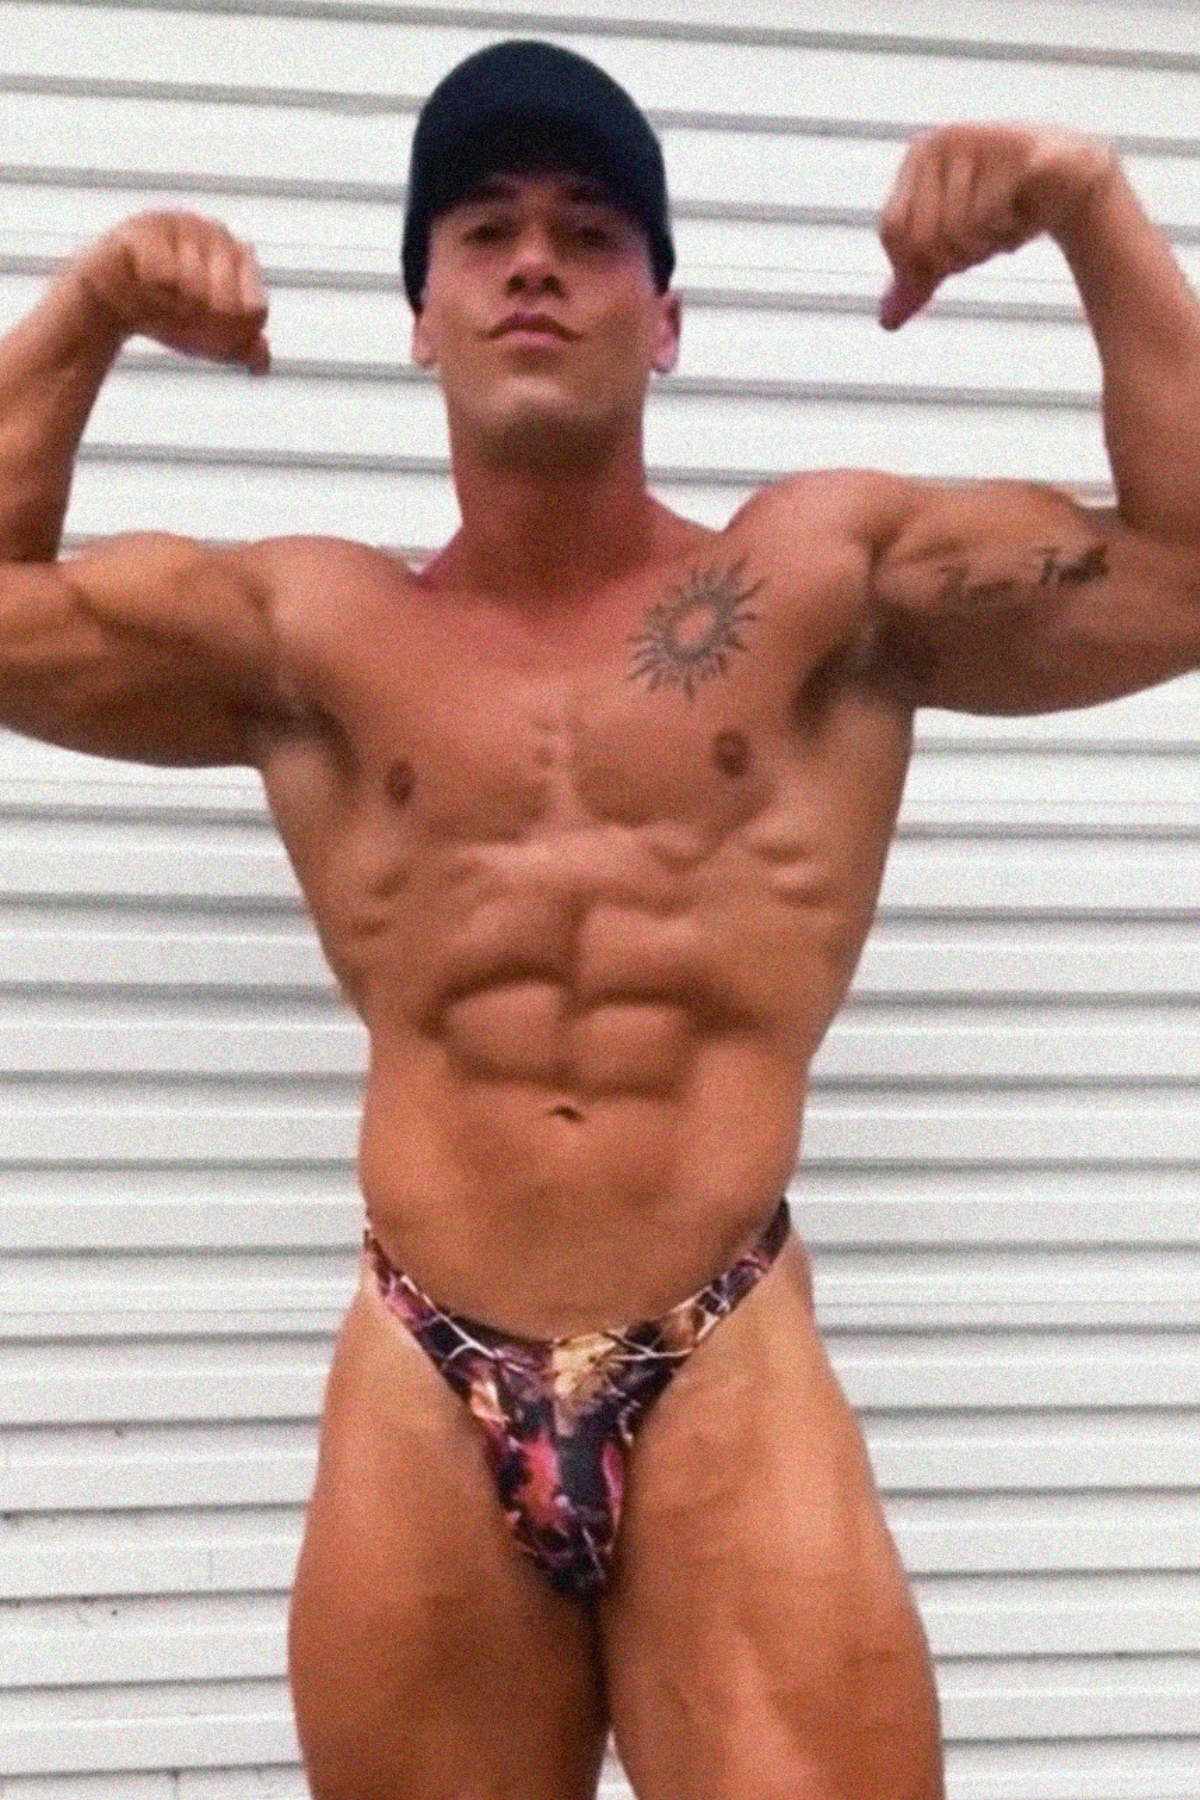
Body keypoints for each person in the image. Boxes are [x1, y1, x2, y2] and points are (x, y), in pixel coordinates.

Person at [3, 33, 1200, 1800]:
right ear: (422, 317)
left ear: (668, 318)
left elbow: (1183, 568)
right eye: (484, 230)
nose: (535, 263)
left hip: (720, 1351)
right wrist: (92, 306)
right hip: (425, 1372)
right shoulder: (309, 636)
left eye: (590, 231)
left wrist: (1094, 208)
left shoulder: (825, 587)